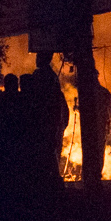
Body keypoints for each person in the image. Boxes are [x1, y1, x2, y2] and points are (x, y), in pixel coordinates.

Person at [20, 51, 69, 188]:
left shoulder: (43, 76)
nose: (36, 59)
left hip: (44, 122)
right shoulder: (50, 76)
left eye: (38, 56)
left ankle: (52, 184)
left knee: (46, 154)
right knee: (48, 154)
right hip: (48, 123)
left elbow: (46, 102)